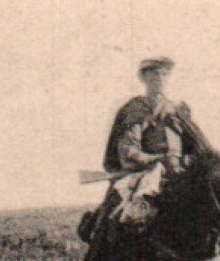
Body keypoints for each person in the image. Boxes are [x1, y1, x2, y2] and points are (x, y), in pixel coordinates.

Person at [79, 57, 212, 242]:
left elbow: (196, 146)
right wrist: (158, 159)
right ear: (143, 78)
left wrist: (192, 160)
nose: (160, 78)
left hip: (180, 170)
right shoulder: (135, 110)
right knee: (127, 214)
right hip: (148, 171)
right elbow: (128, 152)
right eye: (154, 73)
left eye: (164, 74)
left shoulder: (178, 110)